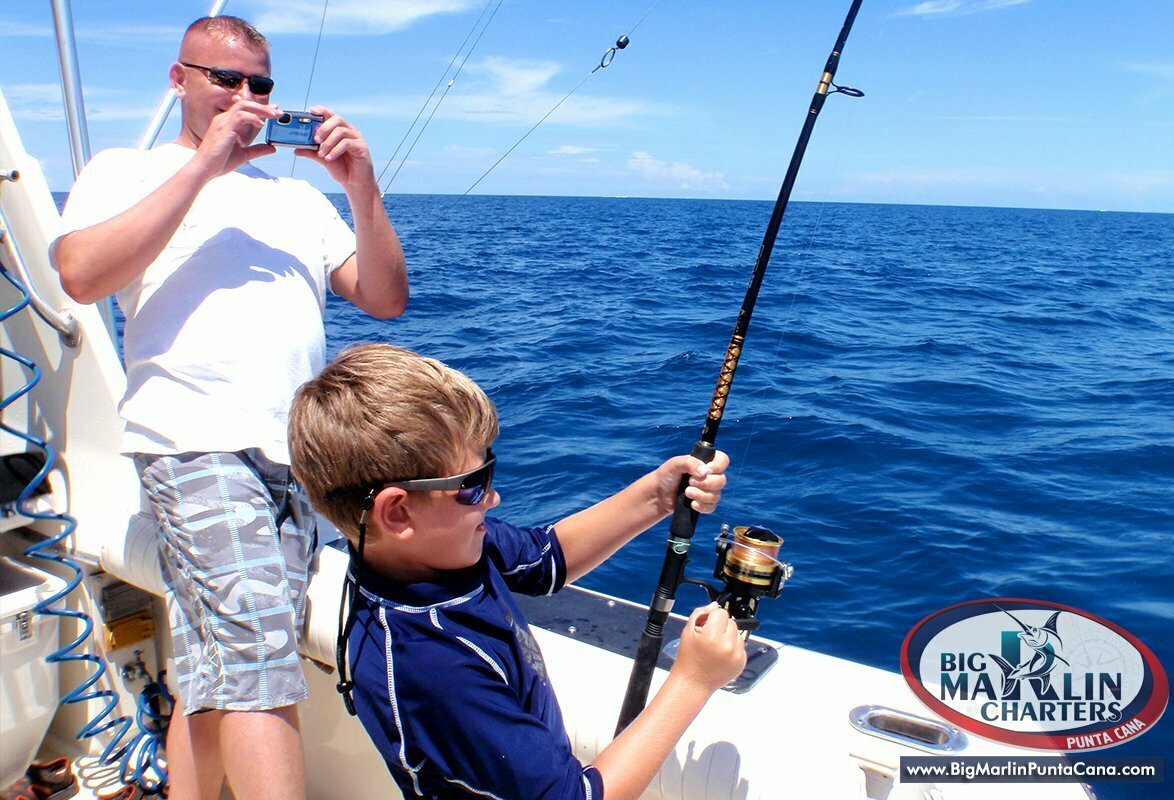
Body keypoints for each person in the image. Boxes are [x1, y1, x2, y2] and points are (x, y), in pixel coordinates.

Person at [51, 16, 407, 800]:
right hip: (193, 444)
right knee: (258, 656)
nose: (246, 97)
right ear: (179, 80)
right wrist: (207, 164)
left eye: (261, 85)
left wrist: (360, 187)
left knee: (221, 663)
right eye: (225, 79)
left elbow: (385, 297)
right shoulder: (125, 170)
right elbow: (79, 274)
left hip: (298, 459)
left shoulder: (296, 202)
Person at [287, 344, 747, 800]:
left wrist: (656, 496)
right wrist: (693, 680)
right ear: (398, 513)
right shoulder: (433, 667)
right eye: (473, 484)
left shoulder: (438, 549)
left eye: (489, 465)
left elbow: (546, 559)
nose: (493, 497)